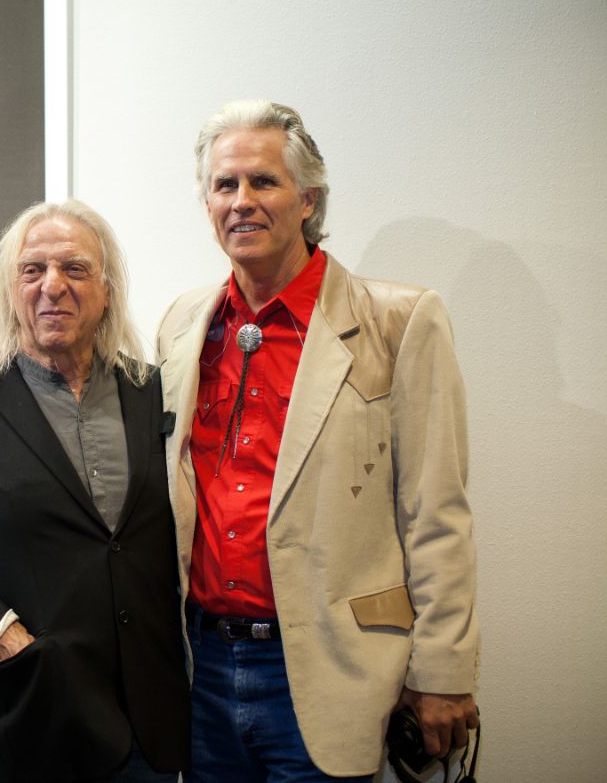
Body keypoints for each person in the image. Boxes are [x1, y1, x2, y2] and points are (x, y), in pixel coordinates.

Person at [157, 100, 479, 780]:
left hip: (332, 671)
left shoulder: (400, 322)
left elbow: (436, 513)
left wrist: (444, 670)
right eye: (224, 185)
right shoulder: (183, 324)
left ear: (308, 198)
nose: (241, 202)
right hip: (201, 669)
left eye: (262, 182)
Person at [0, 201, 192, 782]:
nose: (53, 287)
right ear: (9, 291)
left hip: (150, 730)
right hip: (31, 725)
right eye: (32, 270)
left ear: (107, 290)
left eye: (74, 268)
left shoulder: (154, 396)